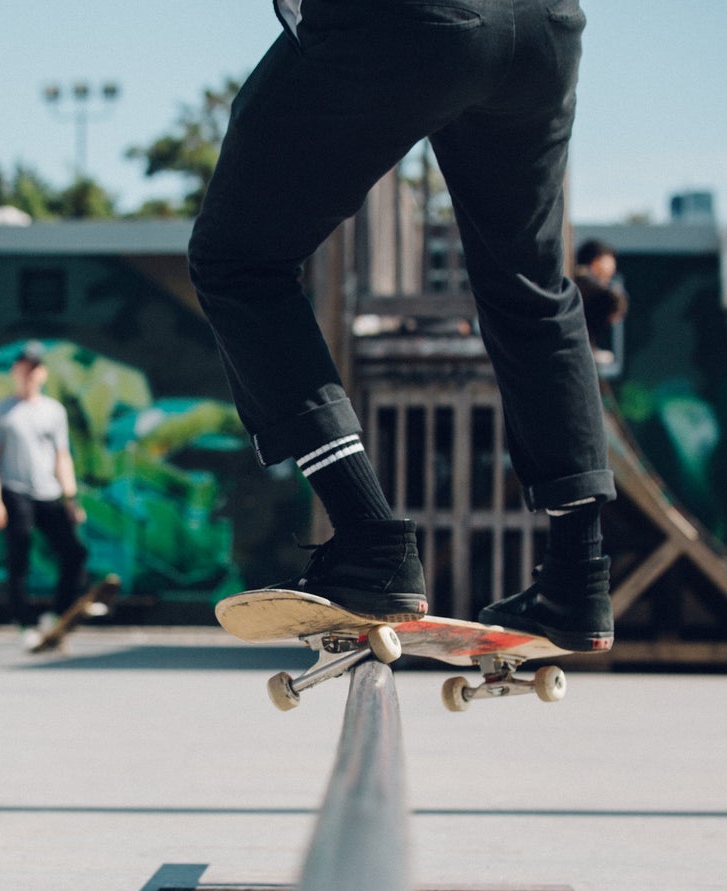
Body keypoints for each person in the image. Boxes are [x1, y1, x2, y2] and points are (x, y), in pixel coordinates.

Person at [188, 0, 613, 651]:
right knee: (531, 287)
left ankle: (367, 538)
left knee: (237, 257)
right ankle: (578, 576)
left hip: (416, 18)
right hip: (547, 29)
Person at [0, 342, 91, 642]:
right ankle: (24, 622)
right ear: (16, 371)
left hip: (49, 493)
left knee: (74, 552)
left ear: (41, 373)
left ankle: (58, 614)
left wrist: (71, 498)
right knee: (19, 554)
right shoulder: (2, 411)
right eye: (23, 369)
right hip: (15, 492)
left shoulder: (54, 411)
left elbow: (62, 457)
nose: (28, 375)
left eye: (34, 369)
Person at [573, 237, 628, 370]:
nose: (613, 267)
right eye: (609, 260)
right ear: (597, 260)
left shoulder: (591, 283)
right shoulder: (583, 279)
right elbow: (613, 299)